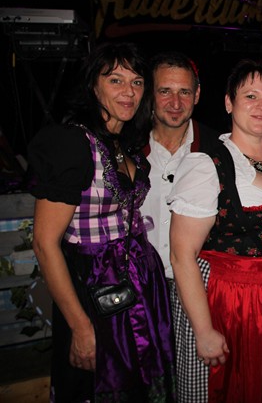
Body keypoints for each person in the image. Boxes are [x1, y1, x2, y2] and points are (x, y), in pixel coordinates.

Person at [28, 41, 176, 402]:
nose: (129, 91)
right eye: (115, 80)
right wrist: (80, 326)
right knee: (100, 384)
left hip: (141, 285)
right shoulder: (72, 143)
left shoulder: (124, 143)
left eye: (137, 82)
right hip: (93, 287)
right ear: (93, 85)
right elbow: (45, 244)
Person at [167, 58, 262, 402]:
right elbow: (181, 256)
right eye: (250, 96)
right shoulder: (206, 164)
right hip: (227, 300)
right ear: (229, 103)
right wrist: (204, 330)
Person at [140, 50, 219, 403]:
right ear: (150, 94)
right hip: (141, 292)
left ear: (197, 94)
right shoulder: (126, 149)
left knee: (195, 390)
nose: (175, 103)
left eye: (184, 92)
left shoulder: (219, 149)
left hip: (199, 292)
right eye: (165, 91)